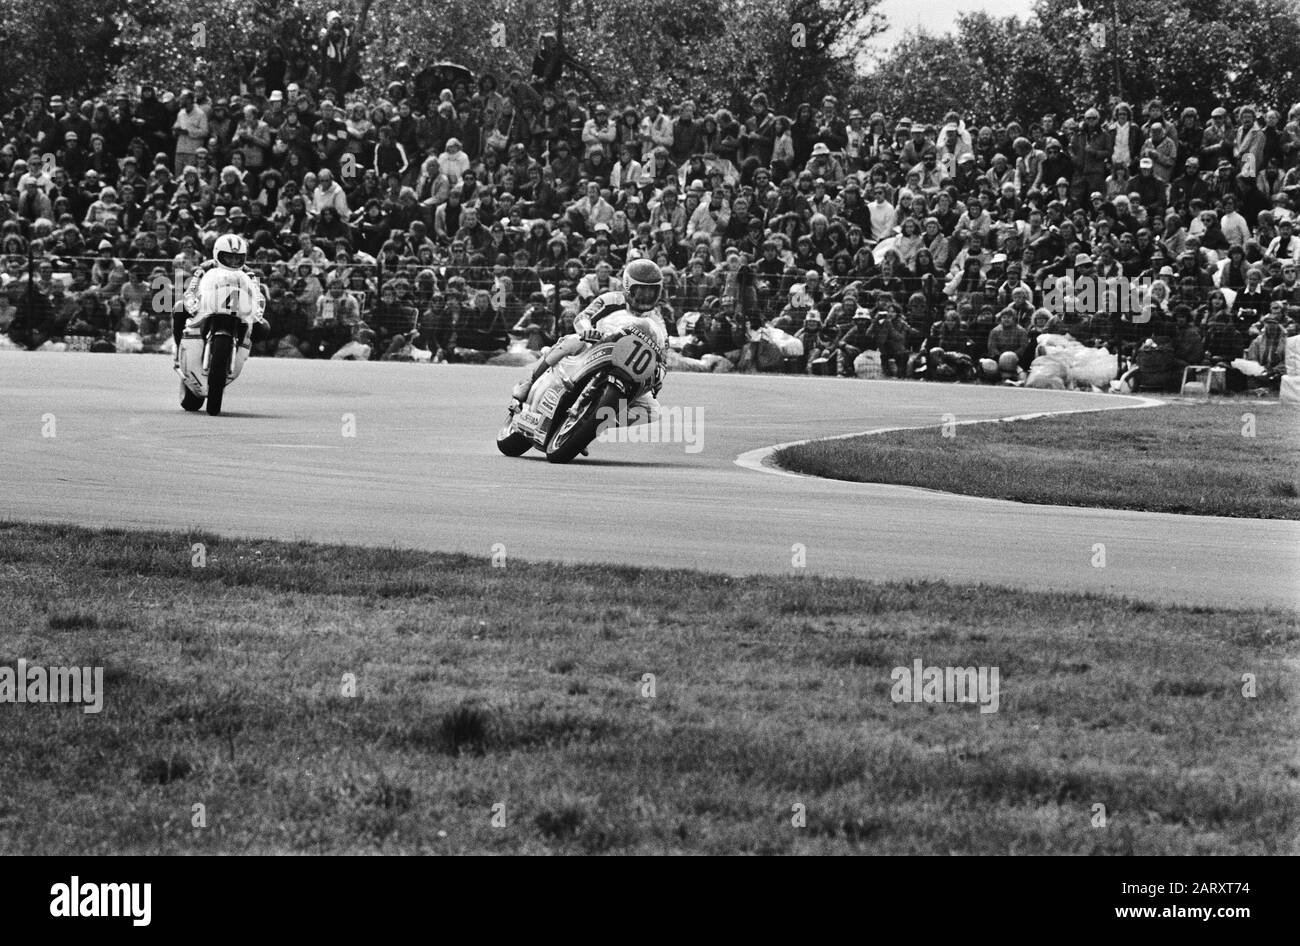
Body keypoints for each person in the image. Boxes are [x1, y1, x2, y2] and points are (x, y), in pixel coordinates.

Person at [509, 258, 667, 421]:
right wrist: (588, 331)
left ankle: (592, 426)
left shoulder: (656, 318)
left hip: (627, 364)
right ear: (628, 286)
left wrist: (658, 374)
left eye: (651, 291)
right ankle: (529, 382)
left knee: (653, 411)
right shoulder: (611, 299)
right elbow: (583, 316)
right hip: (595, 346)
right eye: (641, 291)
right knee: (572, 341)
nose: (646, 296)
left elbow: (663, 350)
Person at [176, 233, 268, 383]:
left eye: (237, 258)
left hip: (237, 311)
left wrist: (257, 311)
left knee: (264, 327)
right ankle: (179, 349)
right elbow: (191, 288)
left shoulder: (249, 273)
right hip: (208, 307)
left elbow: (257, 295)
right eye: (229, 257)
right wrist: (191, 302)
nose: (233, 261)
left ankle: (240, 349)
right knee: (179, 308)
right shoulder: (205, 267)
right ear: (217, 254)